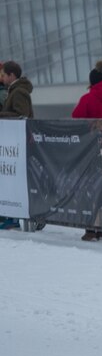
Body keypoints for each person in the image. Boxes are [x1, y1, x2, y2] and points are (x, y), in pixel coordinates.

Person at [72, 60, 102, 241]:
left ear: (92, 81)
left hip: (91, 152)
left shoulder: (87, 99)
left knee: (90, 189)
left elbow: (75, 119)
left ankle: (91, 229)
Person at [0, 61, 33, 231]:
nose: (2, 78)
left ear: (11, 75)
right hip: (13, 144)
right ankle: (10, 216)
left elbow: (21, 114)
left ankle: (13, 218)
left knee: (15, 181)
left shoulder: (18, 92)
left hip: (17, 143)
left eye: (3, 75)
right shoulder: (14, 90)